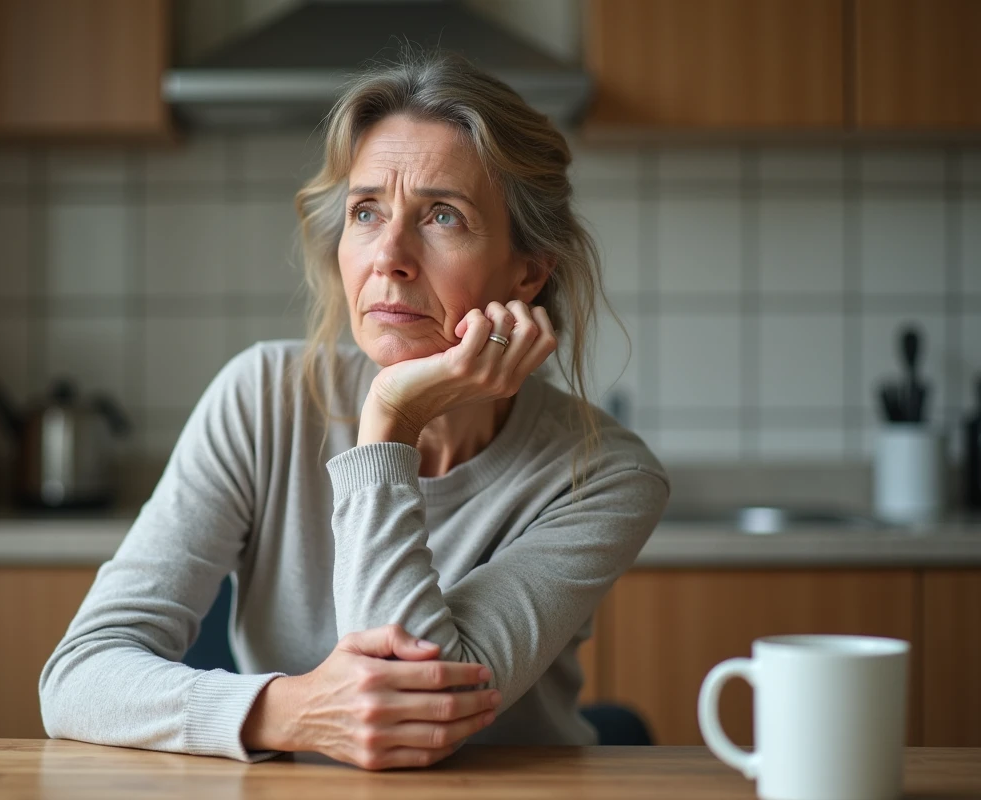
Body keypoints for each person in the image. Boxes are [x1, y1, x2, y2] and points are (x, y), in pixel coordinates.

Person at [40, 50, 669, 772]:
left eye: (442, 215)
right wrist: (293, 710)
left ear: (528, 270)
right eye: (366, 211)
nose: (389, 256)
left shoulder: (604, 476)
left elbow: (417, 726)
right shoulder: (261, 399)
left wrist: (390, 422)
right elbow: (76, 677)